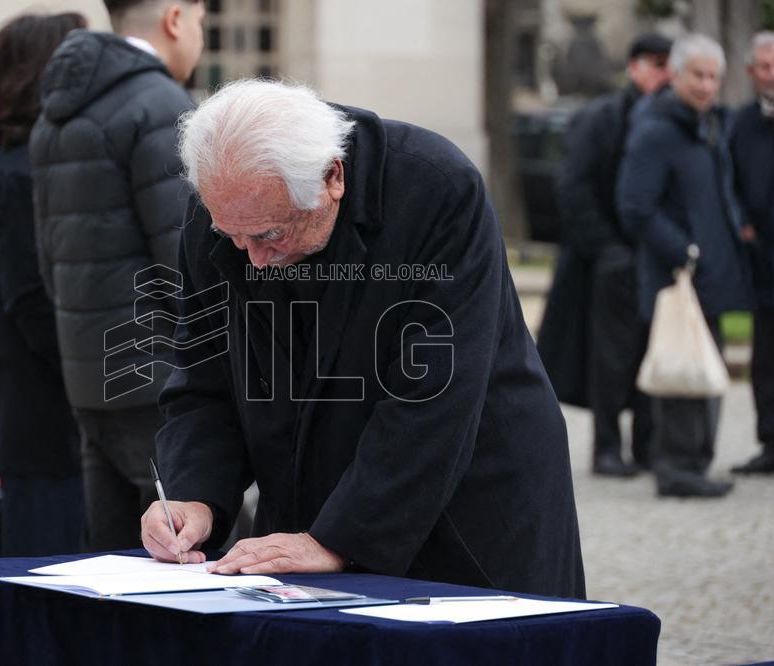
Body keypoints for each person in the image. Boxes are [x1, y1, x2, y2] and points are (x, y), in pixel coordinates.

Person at [140, 80, 586, 598]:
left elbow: (436, 393)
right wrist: (194, 495)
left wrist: (342, 538)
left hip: (464, 498)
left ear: (333, 178)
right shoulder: (229, 212)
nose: (252, 258)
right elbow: (206, 374)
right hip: (310, 503)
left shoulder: (436, 188)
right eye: (232, 237)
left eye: (269, 236)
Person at [30, 0, 204, 551]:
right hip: (156, 376)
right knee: (190, 555)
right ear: (176, 17)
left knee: (111, 559)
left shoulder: (57, 113)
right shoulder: (158, 105)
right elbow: (187, 264)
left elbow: (48, 260)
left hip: (88, 370)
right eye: (203, 20)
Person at [0, 12, 88, 556]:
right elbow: (30, 298)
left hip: (38, 412)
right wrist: (91, 370)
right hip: (38, 416)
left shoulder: (15, 162)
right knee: (44, 569)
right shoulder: (16, 170)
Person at [617, 34, 752, 498]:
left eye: (714, 76)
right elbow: (634, 205)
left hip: (708, 276)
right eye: (698, 74)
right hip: (676, 278)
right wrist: (685, 252)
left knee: (703, 368)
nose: (707, 84)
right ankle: (677, 469)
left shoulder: (707, 124)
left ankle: (693, 463)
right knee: (681, 371)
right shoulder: (655, 128)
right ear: (675, 74)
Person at [538, 34, 672, 478]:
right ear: (634, 67)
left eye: (669, 64)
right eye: (656, 63)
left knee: (653, 351)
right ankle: (608, 447)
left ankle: (649, 445)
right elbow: (573, 187)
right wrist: (609, 249)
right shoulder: (601, 118)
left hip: (655, 257)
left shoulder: (673, 118)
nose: (664, 72)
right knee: (609, 357)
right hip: (608, 260)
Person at [730, 31, 774, 475]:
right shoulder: (741, 124)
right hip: (763, 262)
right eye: (764, 67)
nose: (773, 75)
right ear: (751, 73)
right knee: (765, 362)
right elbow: (729, 181)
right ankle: (771, 443)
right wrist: (740, 220)